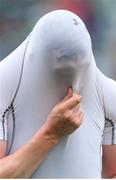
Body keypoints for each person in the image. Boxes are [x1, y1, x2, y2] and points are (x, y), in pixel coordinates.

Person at [0, 10, 116, 178]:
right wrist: (50, 134)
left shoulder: (109, 94)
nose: (71, 83)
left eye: (79, 64)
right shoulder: (4, 84)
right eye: (60, 65)